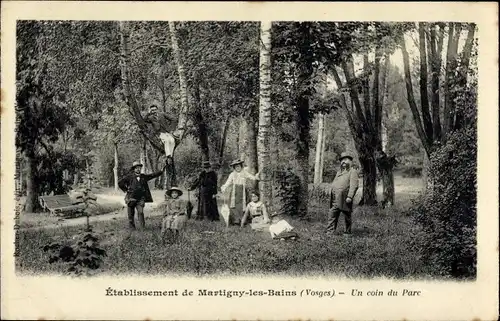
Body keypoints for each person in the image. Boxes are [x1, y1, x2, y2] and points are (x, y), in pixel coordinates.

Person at [118, 161, 166, 230]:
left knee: (140, 212)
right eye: (136, 168)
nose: (138, 169)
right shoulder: (129, 177)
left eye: (139, 168)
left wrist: (161, 171)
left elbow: (152, 175)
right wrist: (126, 190)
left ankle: (142, 229)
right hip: (130, 198)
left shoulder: (143, 176)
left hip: (140, 199)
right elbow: (120, 183)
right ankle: (132, 229)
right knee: (130, 215)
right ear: (134, 169)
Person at [327, 152, 359, 236]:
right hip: (335, 198)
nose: (343, 162)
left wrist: (350, 196)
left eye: (345, 160)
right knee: (332, 214)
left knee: (347, 215)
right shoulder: (339, 172)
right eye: (341, 160)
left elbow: (354, 185)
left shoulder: (353, 171)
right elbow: (335, 182)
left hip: (345, 198)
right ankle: (330, 232)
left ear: (350, 161)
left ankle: (347, 232)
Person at [220, 159, 260, 226]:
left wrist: (255, 177)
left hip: (243, 191)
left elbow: (251, 177)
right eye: (236, 167)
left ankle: (242, 220)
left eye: (239, 166)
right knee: (234, 206)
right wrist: (224, 187)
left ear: (241, 166)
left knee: (242, 205)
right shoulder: (232, 174)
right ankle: (235, 220)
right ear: (234, 168)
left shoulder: (244, 173)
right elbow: (228, 182)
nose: (238, 168)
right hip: (234, 192)